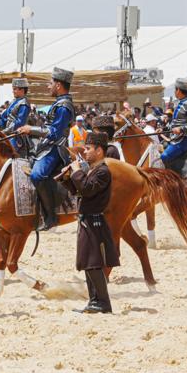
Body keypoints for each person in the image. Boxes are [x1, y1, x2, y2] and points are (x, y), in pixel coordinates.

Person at [66, 131, 117, 314]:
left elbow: (87, 189)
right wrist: (68, 177)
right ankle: (94, 301)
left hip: (94, 221)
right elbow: (79, 190)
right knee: (88, 262)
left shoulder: (103, 171)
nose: (85, 152)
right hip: (88, 220)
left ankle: (103, 302)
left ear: (99, 151)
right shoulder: (94, 169)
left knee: (93, 262)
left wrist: (78, 172)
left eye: (88, 149)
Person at [19, 67, 75, 232]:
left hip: (55, 148)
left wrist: (31, 129)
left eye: (50, 84)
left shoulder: (64, 106)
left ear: (58, 85)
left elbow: (55, 132)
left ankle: (51, 216)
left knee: (37, 175)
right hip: (46, 146)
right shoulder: (59, 103)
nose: (48, 87)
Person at [161, 78, 187, 173]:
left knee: (165, 156)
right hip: (177, 137)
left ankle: (176, 179)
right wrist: (163, 129)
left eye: (175, 89)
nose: (175, 92)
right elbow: (177, 122)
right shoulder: (181, 103)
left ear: (178, 90)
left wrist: (182, 129)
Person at [0, 77, 32, 158]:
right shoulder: (14, 101)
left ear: (22, 90)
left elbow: (19, 123)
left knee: (9, 155)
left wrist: (4, 132)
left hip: (16, 136)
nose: (13, 91)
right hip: (7, 133)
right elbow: (4, 116)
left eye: (15, 89)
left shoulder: (24, 104)